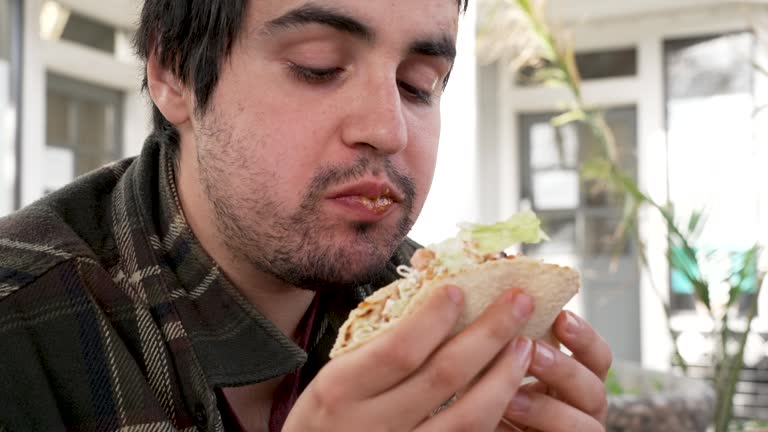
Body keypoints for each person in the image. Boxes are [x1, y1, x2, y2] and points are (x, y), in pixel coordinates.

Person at [0, 0, 612, 431]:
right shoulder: (19, 329)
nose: (387, 129)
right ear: (174, 71)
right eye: (318, 66)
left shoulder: (429, 309)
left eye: (419, 83)